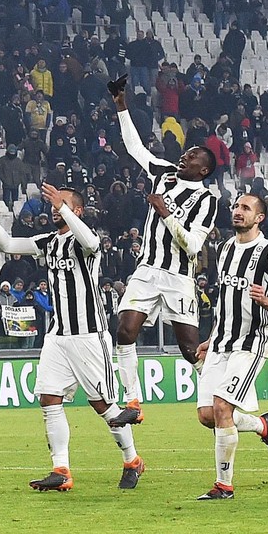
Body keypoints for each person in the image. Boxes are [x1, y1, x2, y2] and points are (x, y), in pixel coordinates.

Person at [0, 185, 145, 492]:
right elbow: (7, 244)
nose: (55, 207)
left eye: (63, 203)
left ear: (77, 210)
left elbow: (92, 241)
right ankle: (61, 469)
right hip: (57, 335)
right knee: (49, 399)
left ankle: (132, 460)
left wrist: (64, 207)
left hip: (87, 333)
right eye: (54, 204)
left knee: (105, 407)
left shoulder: (85, 240)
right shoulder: (48, 241)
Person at [109, 75, 220, 427]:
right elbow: (134, 149)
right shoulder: (164, 172)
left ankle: (220, 395)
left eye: (190, 156)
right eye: (185, 153)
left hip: (178, 278)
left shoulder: (207, 199)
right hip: (146, 270)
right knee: (124, 331)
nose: (183, 156)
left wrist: (166, 212)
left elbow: (193, 245)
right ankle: (133, 401)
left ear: (203, 169)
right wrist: (121, 105)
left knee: (190, 350)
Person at [193, 194, 268, 501]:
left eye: (245, 208)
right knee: (207, 415)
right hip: (222, 342)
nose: (237, 211)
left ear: (259, 218)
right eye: (236, 206)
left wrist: (266, 301)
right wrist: (211, 336)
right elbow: (224, 301)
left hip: (251, 344)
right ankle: (263, 425)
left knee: (222, 407)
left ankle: (224, 485)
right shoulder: (223, 249)